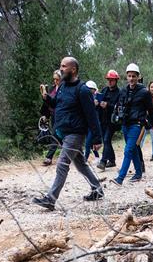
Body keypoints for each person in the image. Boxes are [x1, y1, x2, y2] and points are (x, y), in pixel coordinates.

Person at [33, 56, 103, 210]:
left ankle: (50, 199)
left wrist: (97, 138)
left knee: (62, 164)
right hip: (65, 132)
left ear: (73, 69)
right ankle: (97, 189)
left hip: (75, 133)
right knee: (81, 165)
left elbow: (92, 115)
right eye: (61, 65)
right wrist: (46, 98)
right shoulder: (63, 85)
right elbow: (56, 102)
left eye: (64, 66)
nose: (61, 68)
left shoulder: (83, 90)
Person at [111, 63, 153, 186]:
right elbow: (119, 105)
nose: (131, 78)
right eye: (129, 76)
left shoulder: (144, 92)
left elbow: (151, 109)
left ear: (138, 77)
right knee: (134, 149)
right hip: (125, 124)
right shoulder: (123, 91)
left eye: (134, 76)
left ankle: (120, 178)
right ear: (126, 76)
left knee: (128, 150)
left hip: (137, 125)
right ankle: (138, 173)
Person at [96, 69, 121, 170]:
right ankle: (112, 160)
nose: (110, 82)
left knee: (106, 139)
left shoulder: (119, 93)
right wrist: (97, 103)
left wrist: (107, 105)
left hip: (112, 121)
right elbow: (99, 101)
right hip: (103, 120)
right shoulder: (104, 90)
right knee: (107, 141)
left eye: (112, 80)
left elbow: (119, 106)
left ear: (116, 80)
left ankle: (103, 161)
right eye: (109, 80)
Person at [40, 69, 61, 166]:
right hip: (53, 116)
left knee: (55, 135)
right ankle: (78, 154)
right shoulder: (53, 88)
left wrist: (46, 96)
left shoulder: (64, 89)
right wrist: (45, 115)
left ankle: (49, 157)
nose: (55, 81)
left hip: (62, 116)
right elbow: (48, 104)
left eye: (57, 79)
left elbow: (55, 102)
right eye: (54, 79)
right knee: (62, 137)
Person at [83, 80, 101, 162]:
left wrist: (96, 104)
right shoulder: (85, 98)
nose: (89, 90)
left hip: (93, 125)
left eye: (91, 89)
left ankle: (85, 159)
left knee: (87, 143)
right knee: (90, 143)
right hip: (86, 124)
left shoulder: (97, 98)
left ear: (94, 90)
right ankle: (97, 157)